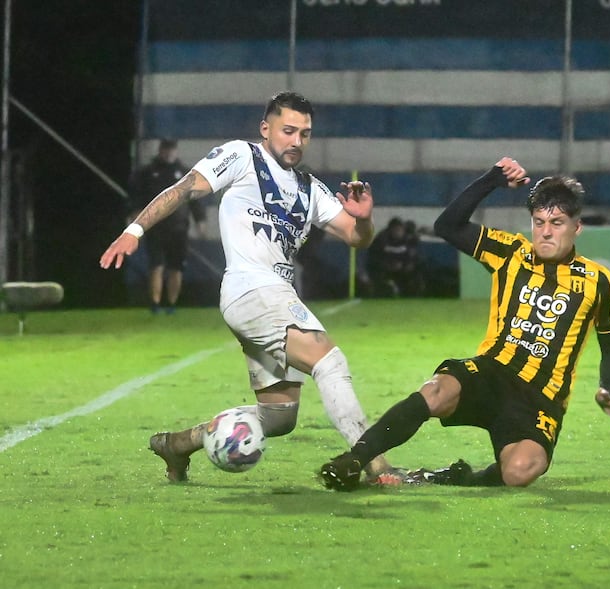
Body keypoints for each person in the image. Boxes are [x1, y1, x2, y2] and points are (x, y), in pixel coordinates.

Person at [100, 91, 393, 482]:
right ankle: (376, 467)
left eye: (305, 134)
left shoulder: (310, 187)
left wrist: (365, 220)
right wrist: (134, 231)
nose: (296, 141)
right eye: (288, 130)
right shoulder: (242, 156)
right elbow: (184, 189)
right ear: (265, 128)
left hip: (273, 296)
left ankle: (179, 444)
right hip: (252, 290)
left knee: (278, 417)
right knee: (330, 362)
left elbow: (356, 237)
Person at [320, 157, 610, 491]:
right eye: (539, 221)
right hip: (491, 373)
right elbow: (448, 226)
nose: (545, 232)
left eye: (556, 223)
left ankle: (463, 477)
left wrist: (606, 390)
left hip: (541, 398)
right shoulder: (511, 253)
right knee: (435, 391)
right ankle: (354, 460)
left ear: (577, 227)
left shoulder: (599, 281)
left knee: (520, 471)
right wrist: (492, 179)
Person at [127, 138, 207, 314]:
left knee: (176, 267)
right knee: (156, 265)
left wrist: (200, 220)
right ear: (161, 150)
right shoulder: (148, 172)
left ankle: (171, 304)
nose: (169, 153)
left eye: (172, 149)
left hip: (178, 227)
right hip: (155, 227)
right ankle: (155, 303)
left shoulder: (185, 174)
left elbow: (195, 200)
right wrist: (135, 215)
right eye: (166, 149)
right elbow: (137, 196)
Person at [366, 216, 424, 297]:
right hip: (385, 269)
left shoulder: (409, 239)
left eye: (400, 230)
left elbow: (414, 255)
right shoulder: (381, 239)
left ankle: (413, 292)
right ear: (390, 230)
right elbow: (374, 257)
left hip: (404, 269)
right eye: (395, 229)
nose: (398, 232)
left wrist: (407, 264)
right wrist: (387, 264)